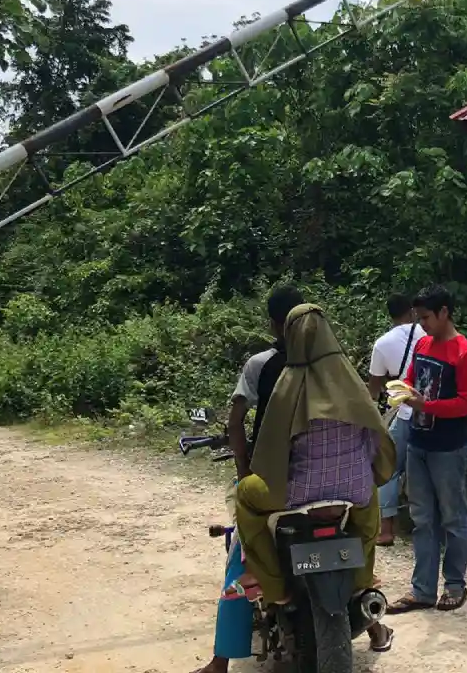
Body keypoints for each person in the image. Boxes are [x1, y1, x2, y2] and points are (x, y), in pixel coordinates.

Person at [229, 304, 397, 650]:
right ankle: (362, 581)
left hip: (296, 494)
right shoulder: (350, 380)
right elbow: (374, 435)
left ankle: (275, 588)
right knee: (368, 515)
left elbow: (272, 448)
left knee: (246, 495)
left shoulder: (288, 386)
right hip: (352, 490)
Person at [191, 285, 304, 673]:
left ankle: (220, 661)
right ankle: (374, 625)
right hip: (332, 482)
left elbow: (237, 421)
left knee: (241, 557)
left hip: (273, 482)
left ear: (273, 323)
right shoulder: (329, 366)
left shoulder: (262, 364)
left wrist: (244, 473)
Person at [385, 284, 467, 615]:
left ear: (444, 312)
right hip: (418, 442)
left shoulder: (464, 353)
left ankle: (455, 585)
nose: (422, 324)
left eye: (426, 317)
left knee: (453, 517)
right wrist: (401, 391)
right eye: (418, 318)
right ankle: (422, 590)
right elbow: (412, 379)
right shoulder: (423, 345)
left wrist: (426, 405)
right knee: (422, 518)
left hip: (448, 447)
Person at [366, 293, 419, 546]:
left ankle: (386, 529)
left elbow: (374, 389)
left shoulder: (382, 343)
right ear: (412, 311)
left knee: (388, 466)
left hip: (406, 411)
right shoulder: (430, 333)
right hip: (439, 410)